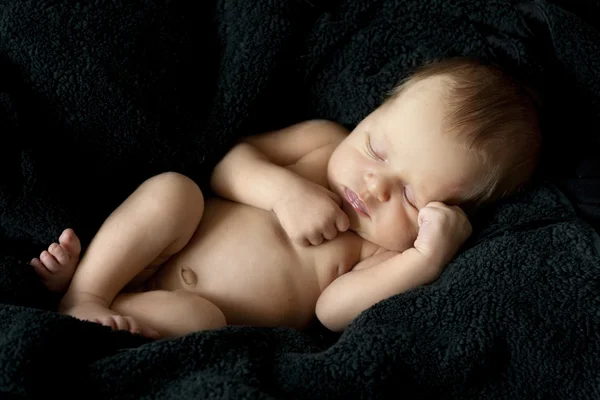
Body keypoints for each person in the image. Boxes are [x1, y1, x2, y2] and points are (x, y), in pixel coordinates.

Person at [29, 57, 542, 339]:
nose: (375, 185)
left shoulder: (384, 254)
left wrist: (424, 261)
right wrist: (284, 192)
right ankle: (87, 292)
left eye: (410, 195)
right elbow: (230, 165)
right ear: (370, 114)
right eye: (377, 149)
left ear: (443, 216)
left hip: (187, 308)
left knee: (205, 323)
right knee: (174, 191)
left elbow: (332, 312)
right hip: (161, 246)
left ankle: (109, 317)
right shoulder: (322, 143)